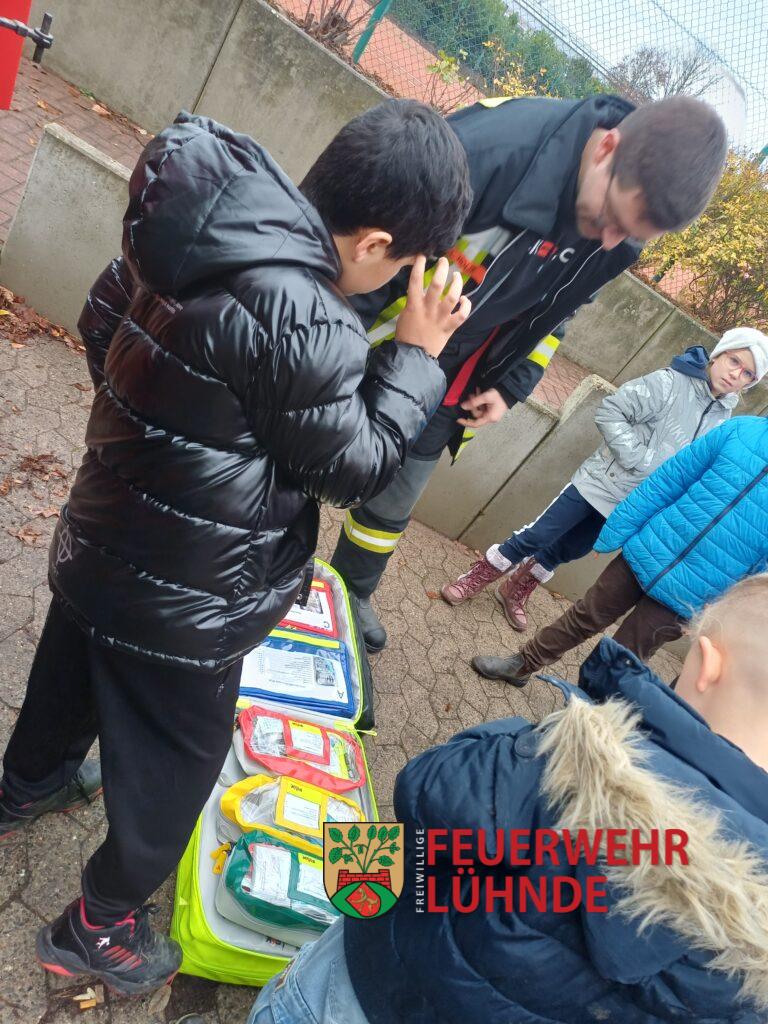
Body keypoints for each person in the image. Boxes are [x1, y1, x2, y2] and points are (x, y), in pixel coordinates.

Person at [0, 101, 473, 995]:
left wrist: (168, 433)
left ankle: (25, 787)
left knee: (72, 660)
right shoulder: (313, 321)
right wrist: (416, 356)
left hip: (105, 526)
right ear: (375, 244)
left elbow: (103, 324)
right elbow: (354, 470)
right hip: (186, 593)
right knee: (182, 755)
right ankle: (98, 927)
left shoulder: (202, 222)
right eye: (401, 264)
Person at [248, 576, 768, 1023]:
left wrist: (529, 737)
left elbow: (424, 787)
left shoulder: (571, 762)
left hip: (373, 981)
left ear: (706, 665)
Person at [328, 93, 729, 653]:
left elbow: (559, 313)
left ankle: (348, 591)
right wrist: (329, 349)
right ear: (607, 149)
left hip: (449, 376)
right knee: (306, 447)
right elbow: (357, 251)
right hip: (365, 339)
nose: (611, 242)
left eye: (632, 236)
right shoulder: (490, 151)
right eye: (614, 220)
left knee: (396, 494)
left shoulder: (619, 236)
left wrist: (507, 386)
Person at [441, 327, 768, 630]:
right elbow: (612, 411)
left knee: (568, 550)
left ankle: (515, 588)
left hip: (632, 505)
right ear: (718, 354)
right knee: (538, 535)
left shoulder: (725, 420)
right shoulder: (669, 382)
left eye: (747, 374)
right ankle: (477, 576)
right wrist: (639, 458)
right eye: (734, 361)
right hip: (598, 483)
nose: (735, 374)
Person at [472, 413, 768, 686]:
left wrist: (721, 610)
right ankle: (522, 664)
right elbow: (669, 480)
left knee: (626, 654)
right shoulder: (740, 429)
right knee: (585, 615)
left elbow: (762, 572)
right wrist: (617, 529)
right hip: (649, 549)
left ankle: (582, 715)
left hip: (695, 592)